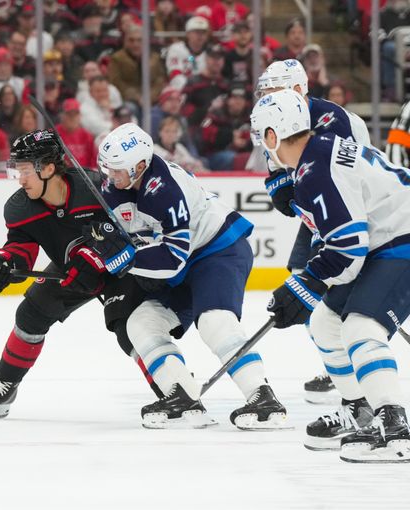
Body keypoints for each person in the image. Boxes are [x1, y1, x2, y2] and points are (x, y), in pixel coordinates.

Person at [83, 123, 289, 430]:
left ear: (139, 166)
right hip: (185, 259)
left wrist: (123, 260)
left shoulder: (165, 189)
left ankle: (263, 397)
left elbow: (172, 260)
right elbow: (118, 235)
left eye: (117, 170)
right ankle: (181, 394)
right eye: (108, 169)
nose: (110, 177)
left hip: (218, 250)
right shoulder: (117, 185)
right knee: (140, 322)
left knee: (214, 320)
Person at [250, 89, 410, 462]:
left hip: (401, 236)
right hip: (384, 238)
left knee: (360, 327)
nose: (263, 147)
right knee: (325, 322)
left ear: (273, 136)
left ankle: (395, 424)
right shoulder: (317, 154)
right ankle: (361, 409)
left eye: (262, 137)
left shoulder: (315, 168)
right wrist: (308, 284)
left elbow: (349, 249)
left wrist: (306, 282)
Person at [0, 129, 160, 419]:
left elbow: (130, 235)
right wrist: (4, 264)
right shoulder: (19, 207)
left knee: (129, 327)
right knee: (30, 314)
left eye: (24, 171)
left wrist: (98, 257)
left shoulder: (96, 188)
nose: (20, 180)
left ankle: (171, 387)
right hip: (70, 269)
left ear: (47, 168)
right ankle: (7, 384)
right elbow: (21, 248)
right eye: (16, 171)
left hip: (117, 268)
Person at [255, 59, 370, 403]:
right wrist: (279, 186)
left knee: (328, 284)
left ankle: (349, 362)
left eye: (275, 90)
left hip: (345, 213)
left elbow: (342, 179)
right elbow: (276, 163)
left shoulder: (333, 119)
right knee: (302, 278)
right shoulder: (273, 116)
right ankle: (335, 364)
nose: (268, 96)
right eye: (265, 90)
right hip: (315, 211)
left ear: (298, 89)